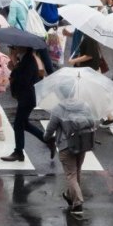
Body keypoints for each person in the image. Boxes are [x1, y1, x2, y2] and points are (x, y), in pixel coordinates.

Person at [42, 82, 99, 216]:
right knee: (77, 171)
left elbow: (50, 129)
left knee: (71, 175)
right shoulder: (84, 105)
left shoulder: (58, 109)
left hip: (66, 146)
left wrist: (46, 137)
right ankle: (70, 196)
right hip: (82, 144)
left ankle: (78, 203)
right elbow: (93, 122)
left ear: (60, 94)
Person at [1, 45, 45, 162]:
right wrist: (15, 65)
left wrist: (15, 66)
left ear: (24, 48)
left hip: (28, 98)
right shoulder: (26, 59)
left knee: (18, 124)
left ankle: (18, 152)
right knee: (23, 123)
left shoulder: (29, 61)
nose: (14, 49)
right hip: (26, 97)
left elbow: (24, 80)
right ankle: (48, 139)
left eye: (15, 47)